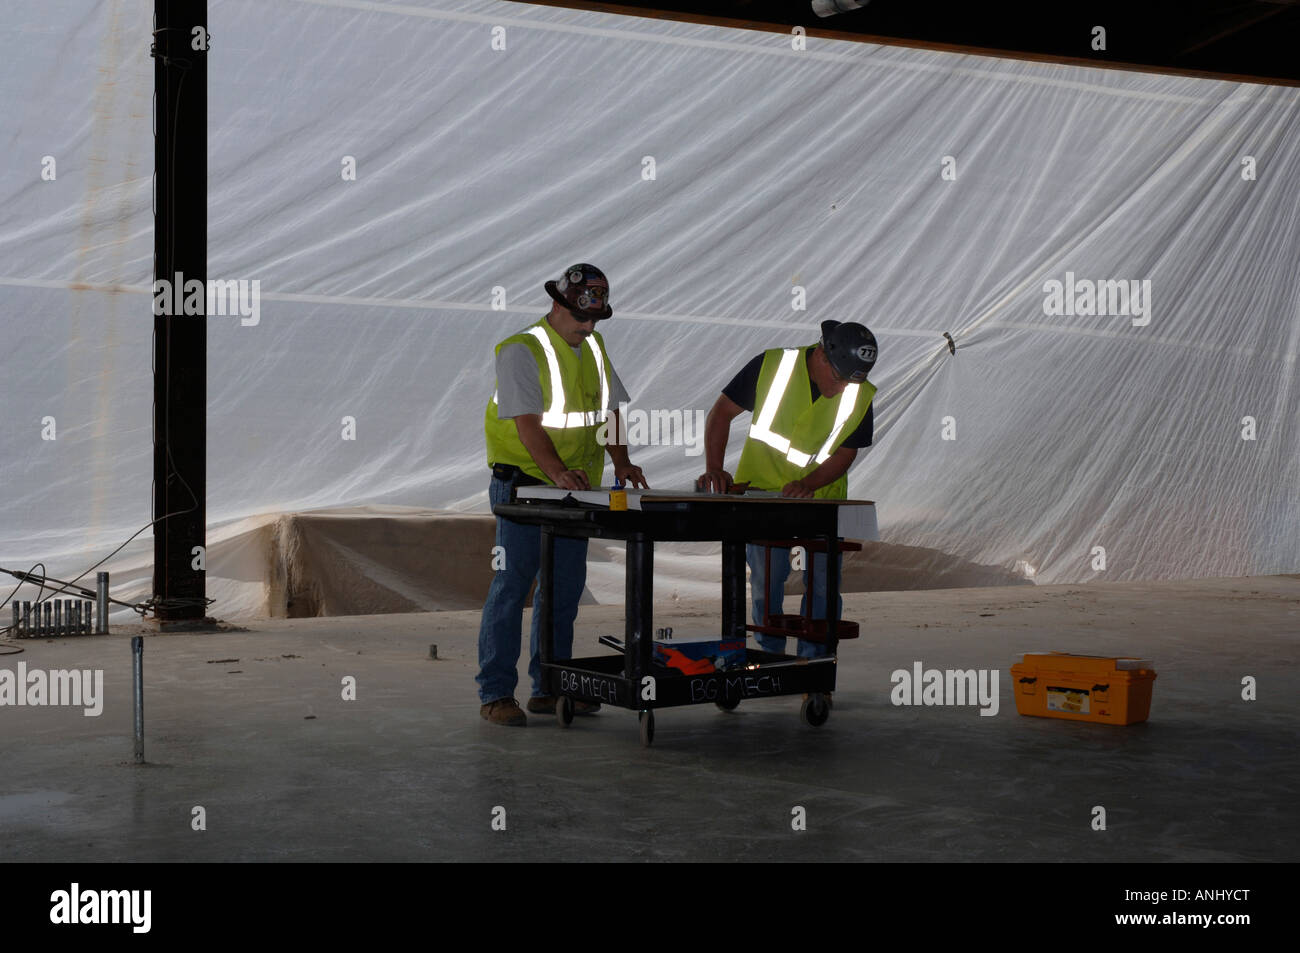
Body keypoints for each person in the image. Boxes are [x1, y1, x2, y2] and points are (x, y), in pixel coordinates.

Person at [477, 263, 648, 727]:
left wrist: (622, 460)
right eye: (581, 318)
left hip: (574, 489)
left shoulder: (593, 346)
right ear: (557, 303)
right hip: (525, 485)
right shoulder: (519, 351)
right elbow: (527, 423)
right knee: (512, 587)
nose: (589, 327)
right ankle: (495, 693)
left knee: (564, 590)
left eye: (595, 320)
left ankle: (550, 687)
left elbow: (610, 409)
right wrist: (555, 473)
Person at [696, 320, 877, 662]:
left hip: (821, 500)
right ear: (822, 355)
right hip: (763, 496)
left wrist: (809, 484)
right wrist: (714, 468)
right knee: (767, 578)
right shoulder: (771, 366)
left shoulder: (859, 392)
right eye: (838, 379)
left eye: (851, 381)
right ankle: (768, 656)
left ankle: (817, 660)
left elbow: (845, 452)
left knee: (823, 586)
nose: (842, 389)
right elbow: (721, 413)